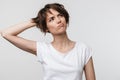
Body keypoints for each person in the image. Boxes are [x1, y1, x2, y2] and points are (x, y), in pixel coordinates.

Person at [0, 3, 96, 80]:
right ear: (46, 28)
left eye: (60, 15)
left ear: (65, 19)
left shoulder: (83, 49)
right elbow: (5, 33)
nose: (58, 20)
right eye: (51, 19)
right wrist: (36, 20)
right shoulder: (43, 49)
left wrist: (47, 19)